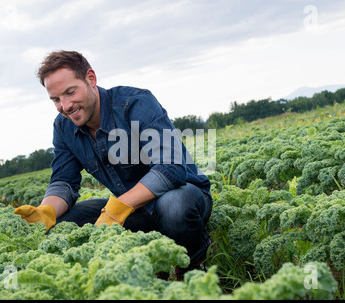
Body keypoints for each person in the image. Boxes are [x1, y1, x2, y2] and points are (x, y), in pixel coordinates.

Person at [14, 50, 212, 273]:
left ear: (91, 78)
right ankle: (131, 272)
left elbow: (170, 168)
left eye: (70, 92)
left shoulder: (135, 103)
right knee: (60, 226)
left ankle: (192, 266)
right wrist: (46, 211)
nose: (66, 106)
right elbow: (64, 181)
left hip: (183, 196)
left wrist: (117, 208)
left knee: (174, 207)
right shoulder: (63, 126)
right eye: (56, 99)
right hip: (132, 211)